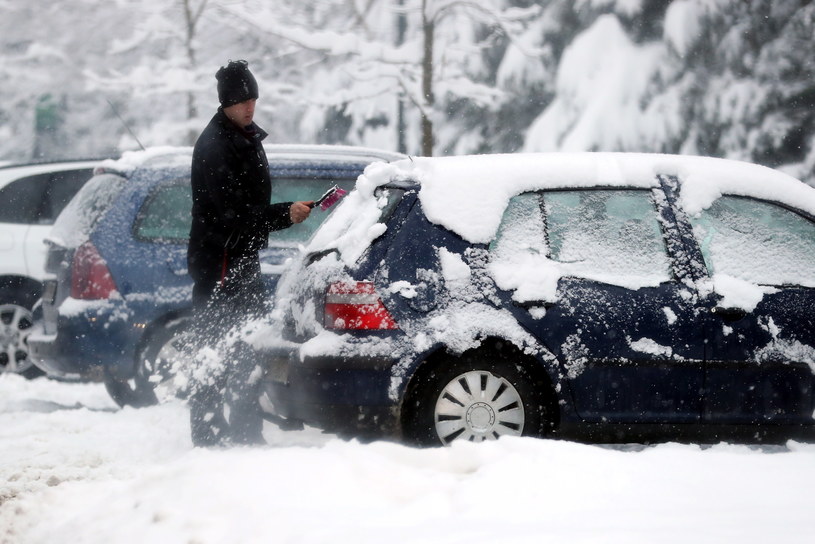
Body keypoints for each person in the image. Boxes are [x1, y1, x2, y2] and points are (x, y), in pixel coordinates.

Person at [186, 59, 312, 447]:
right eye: (242, 101)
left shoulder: (243, 136)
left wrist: (278, 216)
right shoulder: (216, 147)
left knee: (246, 345)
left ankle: (243, 427)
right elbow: (232, 215)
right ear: (225, 103)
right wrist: (283, 215)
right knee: (216, 348)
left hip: (241, 258)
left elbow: (246, 209)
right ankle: (208, 432)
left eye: (253, 99)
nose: (249, 107)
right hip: (221, 264)